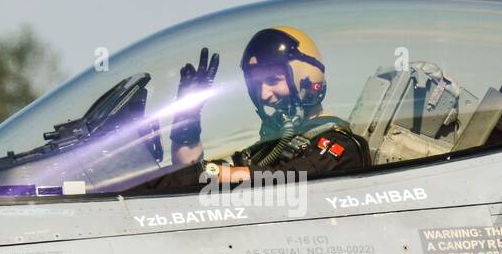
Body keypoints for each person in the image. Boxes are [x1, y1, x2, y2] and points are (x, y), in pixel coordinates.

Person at [135, 26, 369, 193]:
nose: (265, 94)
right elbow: (188, 174)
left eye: (273, 80)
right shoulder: (268, 150)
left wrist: (210, 173)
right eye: (257, 85)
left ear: (306, 80)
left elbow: (288, 181)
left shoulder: (342, 146)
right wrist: (187, 122)